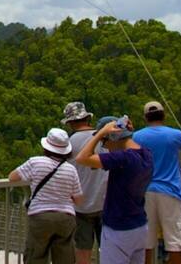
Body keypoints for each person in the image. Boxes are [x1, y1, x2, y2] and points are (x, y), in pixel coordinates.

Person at [77, 117, 154, 264]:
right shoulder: (147, 155)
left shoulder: (122, 159)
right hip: (139, 225)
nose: (104, 147)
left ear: (112, 136)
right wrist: (126, 131)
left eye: (104, 142)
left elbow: (82, 158)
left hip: (118, 228)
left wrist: (101, 133)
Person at [13, 127, 85, 264]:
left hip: (40, 216)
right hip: (65, 217)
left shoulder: (36, 162)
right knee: (65, 257)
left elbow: (13, 177)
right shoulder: (71, 169)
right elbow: (79, 199)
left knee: (36, 255)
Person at [136, 101, 181, 264]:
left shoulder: (137, 136)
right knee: (175, 242)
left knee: (146, 242)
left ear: (145, 117)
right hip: (170, 190)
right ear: (164, 115)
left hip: (145, 190)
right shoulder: (175, 135)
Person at [66, 102, 108, 264]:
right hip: (104, 202)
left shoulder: (69, 143)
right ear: (88, 118)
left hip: (80, 205)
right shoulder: (103, 139)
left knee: (82, 251)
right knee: (108, 250)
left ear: (70, 122)